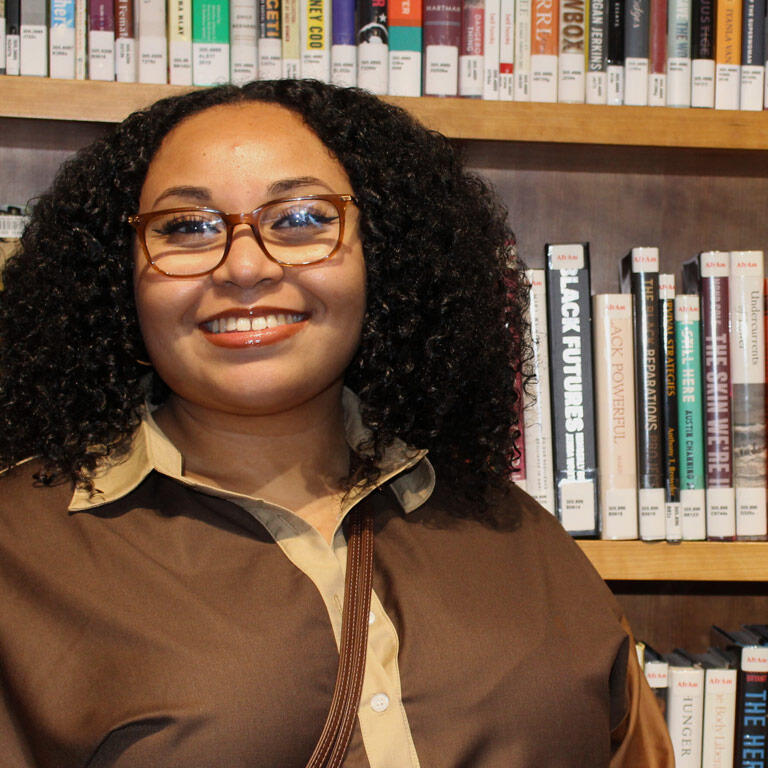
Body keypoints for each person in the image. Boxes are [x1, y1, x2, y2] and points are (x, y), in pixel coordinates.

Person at [0, 79, 673, 767]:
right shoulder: (19, 555)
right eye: (187, 227)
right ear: (120, 278)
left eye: (299, 219)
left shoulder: (516, 533)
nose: (244, 265)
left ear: (384, 258)